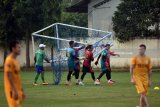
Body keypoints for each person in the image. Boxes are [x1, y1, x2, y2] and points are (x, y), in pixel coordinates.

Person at [4, 41, 26, 107]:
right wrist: (15, 90)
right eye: (18, 47)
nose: (20, 49)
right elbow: (9, 76)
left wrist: (21, 90)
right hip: (12, 90)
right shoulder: (9, 60)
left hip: (18, 90)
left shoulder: (16, 61)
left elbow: (17, 77)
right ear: (13, 48)